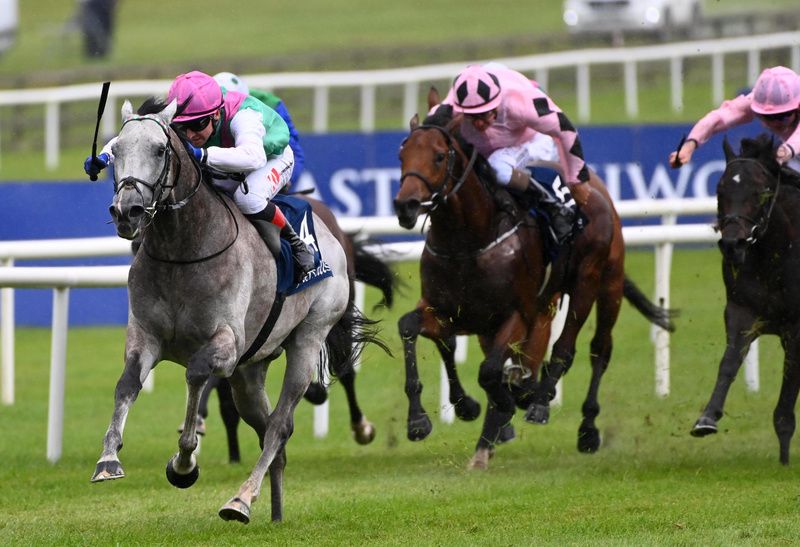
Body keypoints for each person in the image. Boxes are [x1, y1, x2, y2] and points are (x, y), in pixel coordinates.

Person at [84, 70, 316, 282]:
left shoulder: (245, 116)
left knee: (248, 199)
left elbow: (253, 158)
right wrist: (104, 157)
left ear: (215, 115)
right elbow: (139, 135)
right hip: (228, 153)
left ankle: (296, 243)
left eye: (198, 125)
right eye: (184, 127)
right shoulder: (182, 110)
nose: (191, 134)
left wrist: (201, 154)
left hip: (270, 157)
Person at [438, 62, 589, 245]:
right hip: (495, 145)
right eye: (471, 116)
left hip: (533, 140)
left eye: (483, 115)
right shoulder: (452, 105)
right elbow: (426, 132)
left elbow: (566, 130)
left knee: (498, 168)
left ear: (495, 104)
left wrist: (577, 180)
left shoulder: (519, 101)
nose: (478, 124)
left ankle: (552, 205)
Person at [669, 66, 800, 172]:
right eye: (768, 117)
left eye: (782, 116)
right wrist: (689, 145)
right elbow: (717, 118)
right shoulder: (754, 100)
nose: (776, 123)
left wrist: (783, 152)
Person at [213, 72, 306, 186]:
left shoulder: (273, 104)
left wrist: (288, 180)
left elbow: (293, 149)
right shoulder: (203, 106)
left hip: (267, 163)